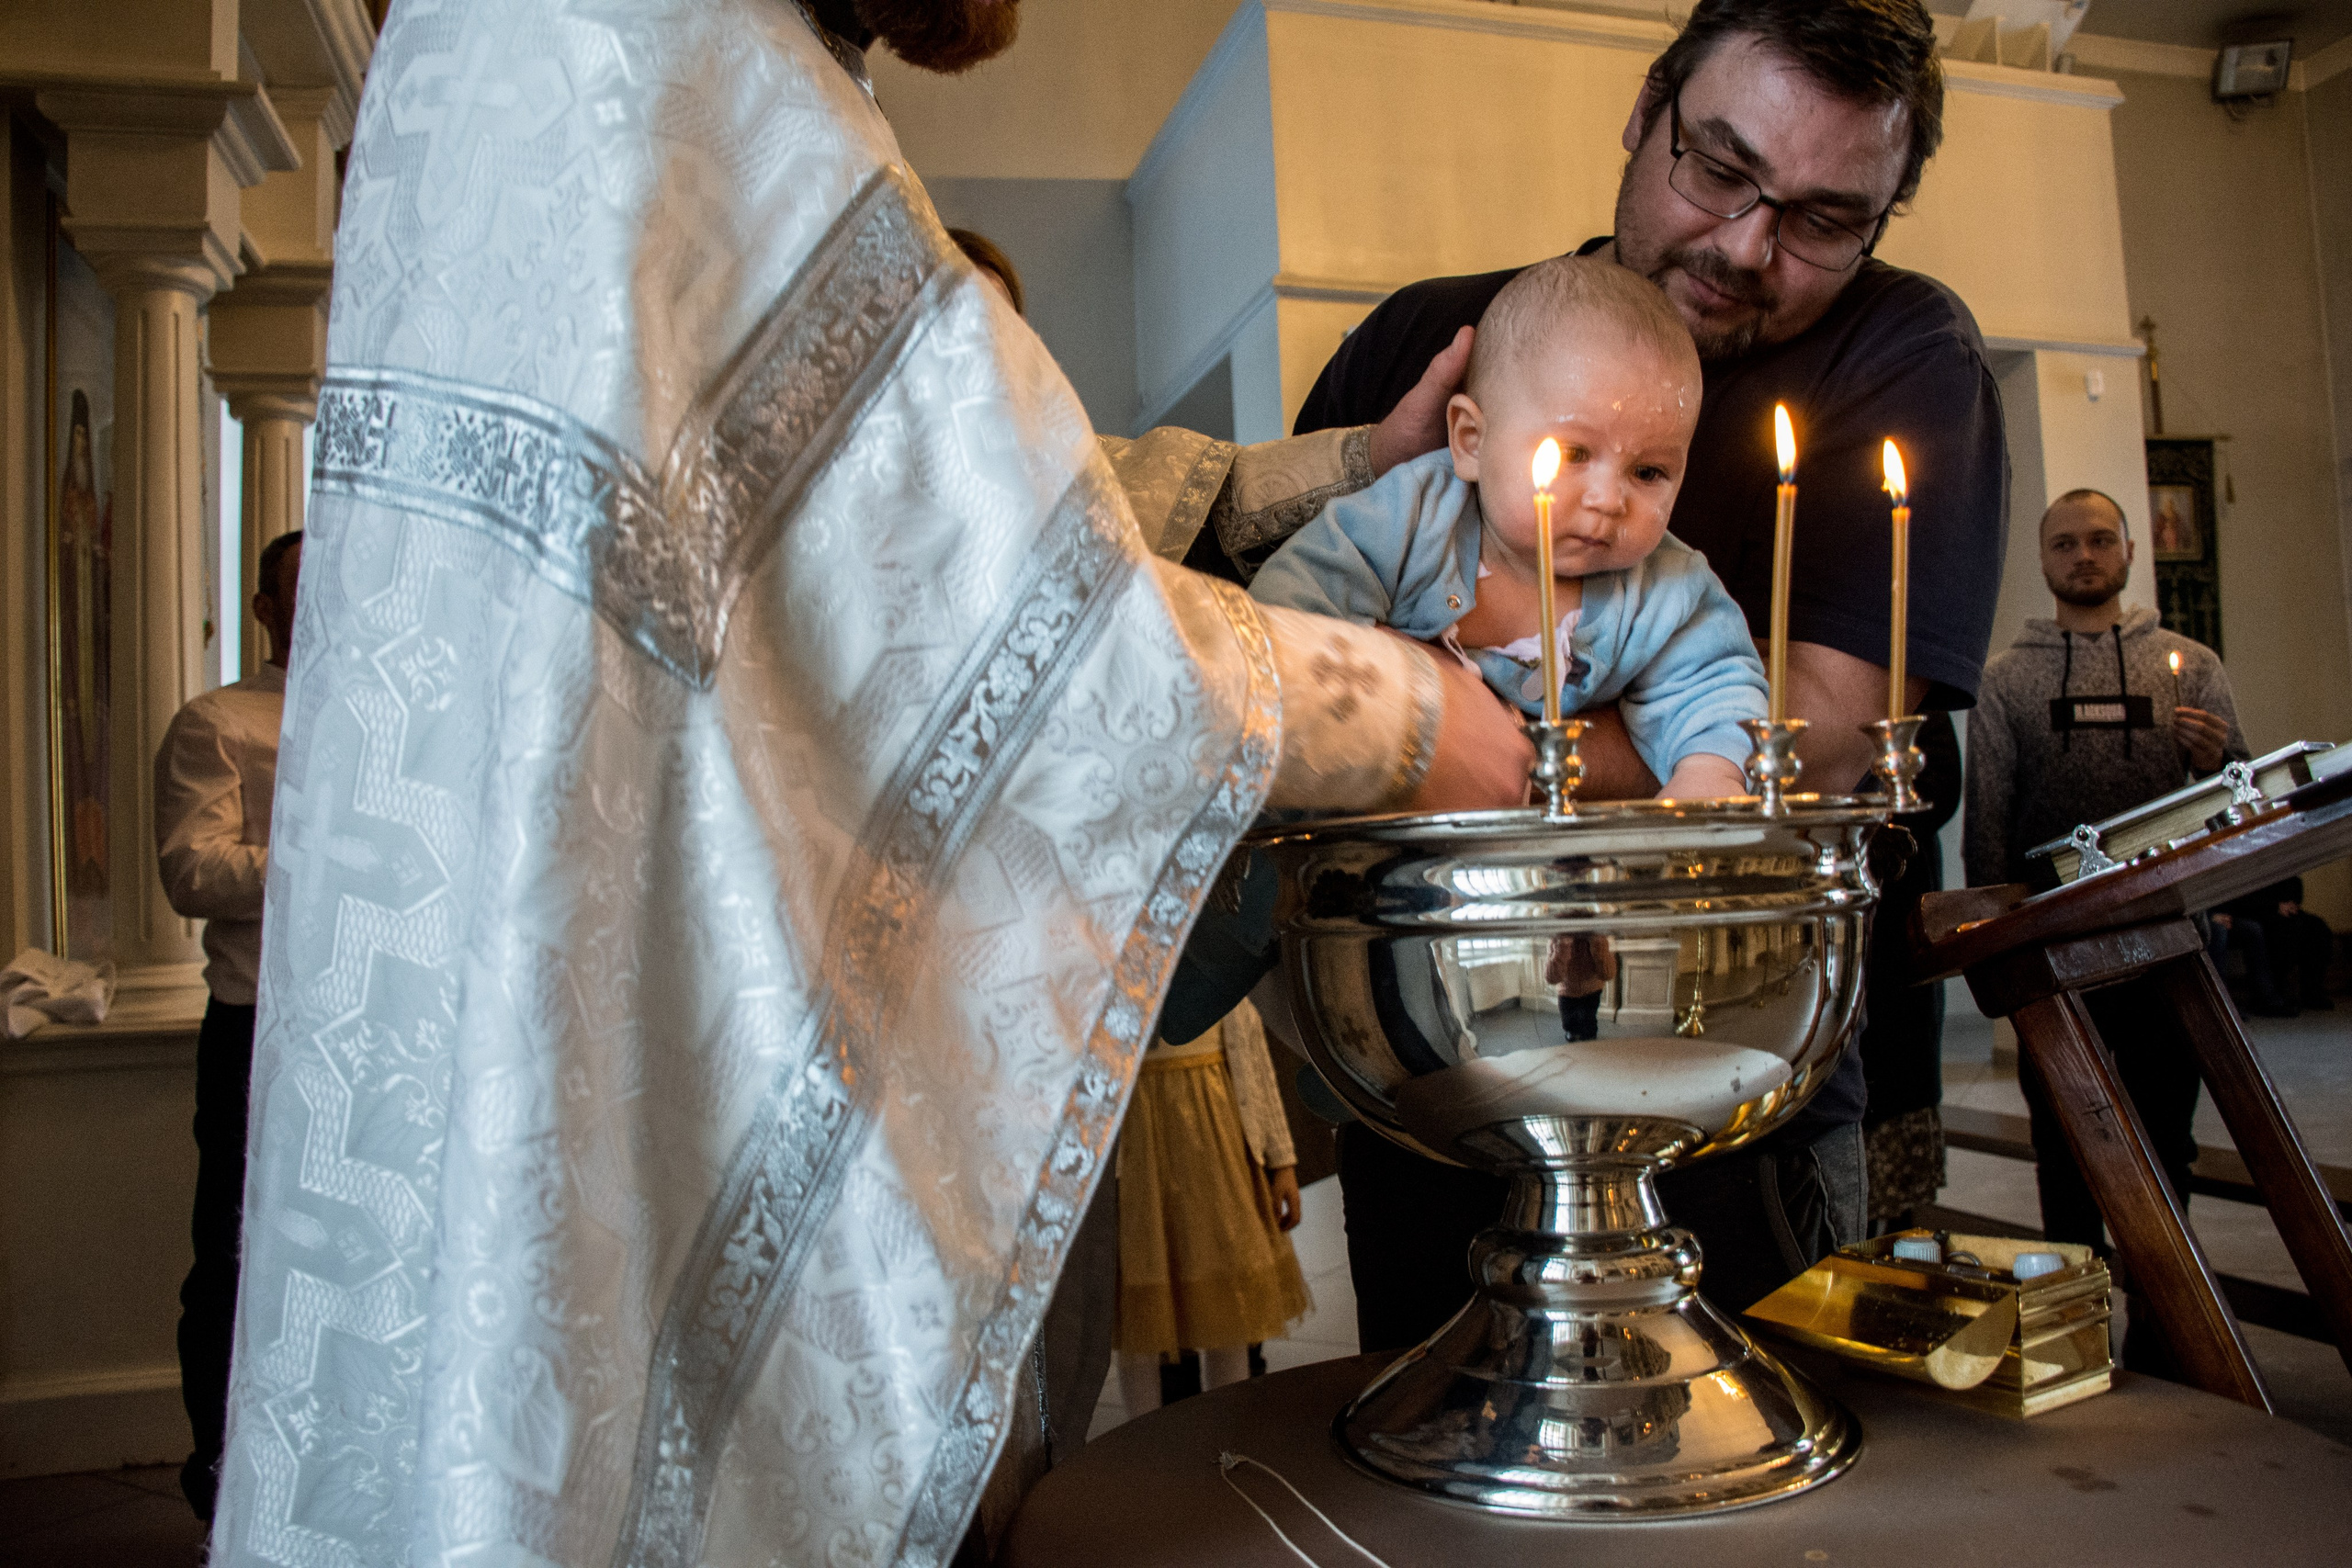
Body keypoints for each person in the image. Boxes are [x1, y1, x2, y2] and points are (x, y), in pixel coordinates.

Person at [209, 5, 1534, 1566]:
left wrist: (1349, 468)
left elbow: (980, 489)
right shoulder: (681, 47)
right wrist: (1414, 715)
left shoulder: (509, 41)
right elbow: (966, 591)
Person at [1199, 0, 2005, 1351]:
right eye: (1721, 169)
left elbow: (1820, 740)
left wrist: (1438, 718)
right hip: (1431, 1049)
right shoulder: (1430, 340)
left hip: (1736, 1056)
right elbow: (1277, 675)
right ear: (1647, 110)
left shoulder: (1898, 350)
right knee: (1436, 1438)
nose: (1751, 246)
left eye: (1822, 218)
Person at [1251, 256, 1766, 800]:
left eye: (1648, 472)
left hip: (1548, 856)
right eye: (1574, 453)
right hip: (1379, 828)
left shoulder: (1665, 587)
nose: (1609, 499)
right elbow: (1287, 614)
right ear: (1471, 440)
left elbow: (1718, 689)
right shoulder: (1410, 518)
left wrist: (1710, 774)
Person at [1965, 488, 2246, 1368]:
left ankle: (2167, 1329)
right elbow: (1989, 823)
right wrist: (1996, 948)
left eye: (2098, 540)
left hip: (2169, 944)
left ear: (2129, 551)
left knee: (2167, 1140)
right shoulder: (2008, 680)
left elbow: (2242, 804)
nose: (2083, 556)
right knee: (2067, 1149)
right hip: (2055, 954)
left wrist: (2220, 759)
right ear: (2044, 560)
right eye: (2064, 543)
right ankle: (2075, 1331)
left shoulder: (2190, 666)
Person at [154, 529, 300, 1520]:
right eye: (300, 586)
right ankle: (219, 1481)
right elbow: (190, 871)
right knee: (237, 1259)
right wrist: (322, 858)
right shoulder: (219, 722)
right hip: (256, 1030)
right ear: (260, 608)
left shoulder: (404, 714)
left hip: (373, 1034)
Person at [1114, 999, 1308, 1416]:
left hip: (1214, 1127)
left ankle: (1229, 1426)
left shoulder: (1213, 945)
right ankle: (1146, 1438)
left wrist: (1281, 1159)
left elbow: (1253, 1056)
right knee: (1142, 1305)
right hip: (1133, 1140)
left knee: (1228, 1293)